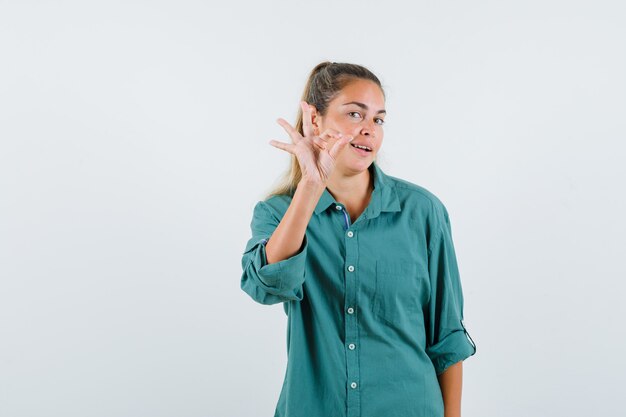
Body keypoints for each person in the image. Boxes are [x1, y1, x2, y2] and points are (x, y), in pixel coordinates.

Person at [240, 61, 477, 417]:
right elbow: (267, 287)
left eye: (378, 120)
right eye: (354, 114)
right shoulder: (277, 213)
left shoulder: (423, 212)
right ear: (315, 120)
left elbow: (447, 336)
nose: (369, 131)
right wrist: (309, 187)